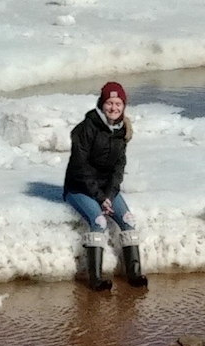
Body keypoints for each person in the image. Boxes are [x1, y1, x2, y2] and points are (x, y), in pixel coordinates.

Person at [63, 81, 148, 291]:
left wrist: (109, 194)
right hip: (79, 188)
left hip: (105, 190)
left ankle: (135, 274)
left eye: (118, 103)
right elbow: (80, 168)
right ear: (102, 104)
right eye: (110, 103)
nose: (114, 108)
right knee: (99, 221)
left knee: (128, 220)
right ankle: (96, 279)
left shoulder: (122, 131)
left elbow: (118, 169)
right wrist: (100, 198)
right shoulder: (85, 129)